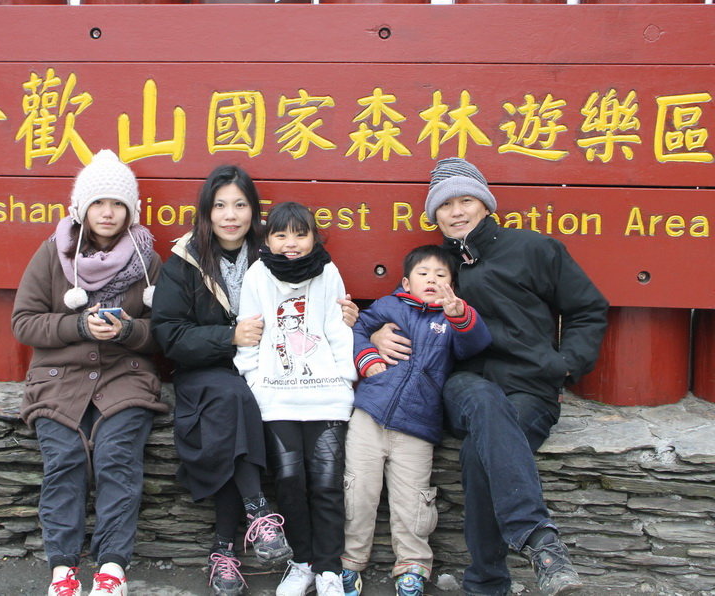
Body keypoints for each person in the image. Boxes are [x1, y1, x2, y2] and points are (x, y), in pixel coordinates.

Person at [370, 158, 608, 596]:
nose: (456, 212)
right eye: (445, 206)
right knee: (481, 400)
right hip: (464, 384)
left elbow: (587, 309)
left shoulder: (535, 249)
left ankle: (486, 583)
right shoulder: (440, 266)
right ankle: (540, 541)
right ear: (435, 216)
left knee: (479, 453)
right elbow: (400, 306)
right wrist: (375, 333)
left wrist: (566, 365)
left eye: (465, 201)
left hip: (530, 387)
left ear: (485, 205)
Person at [12, 150, 167, 596]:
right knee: (65, 459)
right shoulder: (52, 253)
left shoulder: (149, 261)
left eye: (118, 204)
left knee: (117, 457)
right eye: (98, 202)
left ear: (131, 210)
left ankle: (112, 568)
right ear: (81, 207)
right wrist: (78, 326)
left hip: (125, 377)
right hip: (58, 380)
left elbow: (164, 333)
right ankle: (62, 570)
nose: (108, 212)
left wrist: (128, 330)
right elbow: (24, 323)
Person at [341, 245, 491, 596]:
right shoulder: (389, 306)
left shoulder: (451, 318)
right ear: (407, 282)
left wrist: (460, 316)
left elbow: (475, 344)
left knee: (414, 502)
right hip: (369, 413)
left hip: (418, 423)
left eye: (441, 275)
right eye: (423, 274)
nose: (432, 280)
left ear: (452, 284)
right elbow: (356, 330)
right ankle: (349, 562)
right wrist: (367, 357)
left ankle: (412, 565)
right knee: (357, 492)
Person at [233, 202, 356, 596]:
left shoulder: (328, 272)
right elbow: (249, 333)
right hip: (277, 399)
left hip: (326, 396)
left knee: (327, 484)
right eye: (281, 234)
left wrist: (345, 381)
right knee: (288, 482)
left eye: (301, 234)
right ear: (267, 239)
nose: (291, 243)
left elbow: (338, 329)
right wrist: (255, 382)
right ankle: (302, 563)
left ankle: (329, 569)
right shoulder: (257, 275)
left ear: (314, 238)